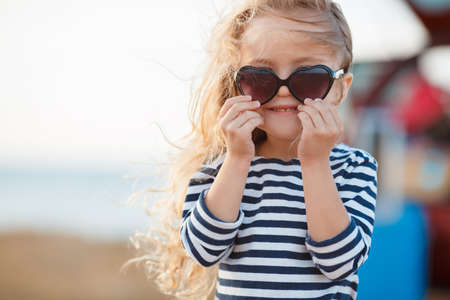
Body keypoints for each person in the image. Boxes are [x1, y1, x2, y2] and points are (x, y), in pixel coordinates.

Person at [124, 1, 378, 299]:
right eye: (261, 76)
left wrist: (314, 162)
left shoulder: (354, 169)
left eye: (308, 76)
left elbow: (340, 262)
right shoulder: (222, 167)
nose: (283, 90)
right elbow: (204, 251)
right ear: (238, 84)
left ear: (340, 88)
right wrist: (237, 159)